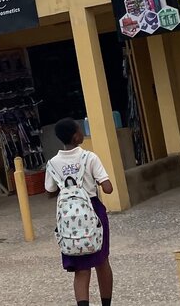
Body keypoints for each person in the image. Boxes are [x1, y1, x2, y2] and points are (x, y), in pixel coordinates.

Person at [45, 118, 114, 306]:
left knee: (81, 270)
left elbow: (50, 191)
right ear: (76, 137)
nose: (82, 132)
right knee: (102, 262)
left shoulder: (53, 163)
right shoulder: (89, 157)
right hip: (93, 210)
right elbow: (108, 188)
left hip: (69, 220)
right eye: (80, 130)